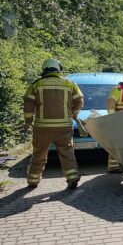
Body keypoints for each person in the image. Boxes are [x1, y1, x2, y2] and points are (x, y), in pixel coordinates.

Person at [23, 58, 83, 190]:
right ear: (59, 68)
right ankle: (72, 177)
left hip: (43, 127)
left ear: (44, 69)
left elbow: (28, 105)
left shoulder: (36, 84)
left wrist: (28, 122)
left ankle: (33, 180)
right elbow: (79, 99)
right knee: (67, 153)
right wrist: (74, 113)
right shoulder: (69, 83)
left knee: (39, 153)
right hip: (64, 127)